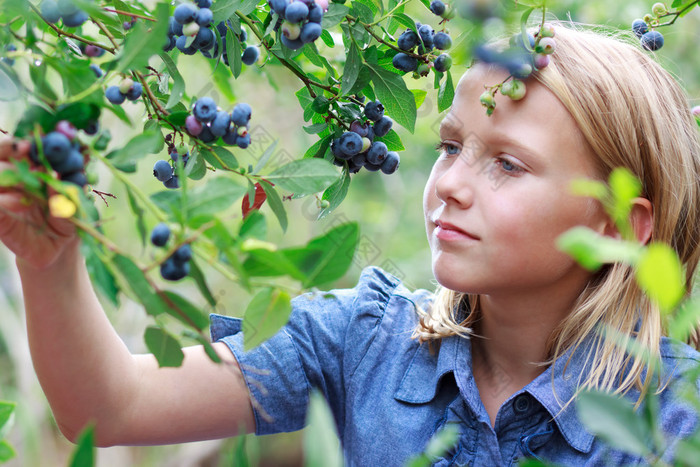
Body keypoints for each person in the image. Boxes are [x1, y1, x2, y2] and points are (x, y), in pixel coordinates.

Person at [0, 21, 699, 466]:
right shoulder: (365, 340)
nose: (450, 183)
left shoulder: (675, 418)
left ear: (615, 227)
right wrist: (51, 262)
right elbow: (109, 406)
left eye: (507, 164)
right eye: (452, 145)